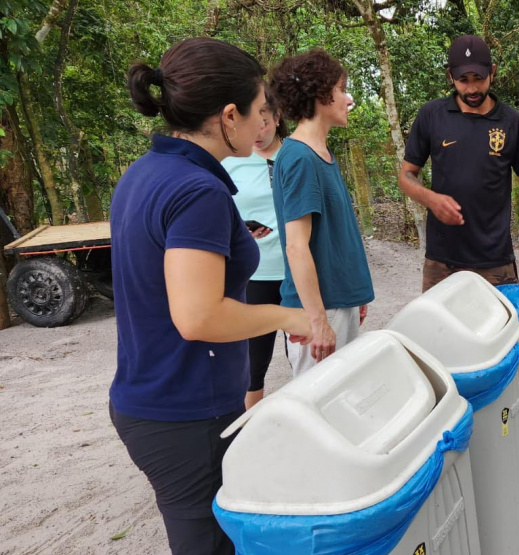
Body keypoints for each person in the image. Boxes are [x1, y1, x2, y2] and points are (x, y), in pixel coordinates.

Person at [109, 38, 312, 555]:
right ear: (228, 116)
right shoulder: (198, 191)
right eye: (260, 111)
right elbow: (198, 316)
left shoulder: (144, 173)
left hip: (158, 399)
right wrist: (291, 315)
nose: (264, 124)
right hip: (185, 412)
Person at [398, 34, 519, 292]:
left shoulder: (511, 121)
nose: (472, 89)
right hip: (441, 261)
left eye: (479, 79)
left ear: (492, 72)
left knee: (499, 332)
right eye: (463, 81)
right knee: (437, 331)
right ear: (450, 76)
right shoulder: (431, 115)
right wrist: (431, 199)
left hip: (495, 262)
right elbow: (406, 175)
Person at [268, 49, 374, 375]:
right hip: (321, 311)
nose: (348, 98)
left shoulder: (320, 152)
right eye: (342, 89)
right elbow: (296, 246)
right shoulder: (300, 158)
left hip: (339, 304)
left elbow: (336, 237)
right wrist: (318, 321)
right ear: (321, 94)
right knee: (323, 413)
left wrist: (354, 295)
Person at [222, 91, 289, 409]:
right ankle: (247, 438)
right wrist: (241, 226)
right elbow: (217, 212)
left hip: (297, 274)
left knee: (310, 362)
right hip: (254, 275)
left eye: (266, 123)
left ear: (278, 119)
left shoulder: (298, 155)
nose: (260, 132)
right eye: (255, 124)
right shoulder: (231, 162)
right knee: (252, 368)